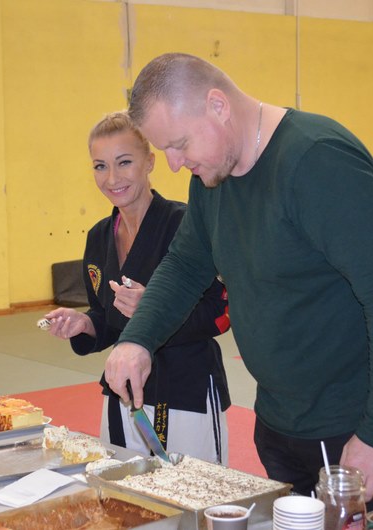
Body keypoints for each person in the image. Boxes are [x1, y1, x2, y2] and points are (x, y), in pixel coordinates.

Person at [104, 53, 373, 513]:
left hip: (356, 417)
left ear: (218, 106)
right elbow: (185, 264)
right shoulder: (213, 177)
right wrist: (137, 339)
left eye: (179, 144)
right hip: (283, 418)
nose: (175, 164)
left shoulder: (316, 160)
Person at [44, 111, 232, 464]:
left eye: (124, 162)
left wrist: (155, 309)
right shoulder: (99, 237)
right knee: (122, 491)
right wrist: (85, 324)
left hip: (185, 391)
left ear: (149, 162)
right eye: (100, 166)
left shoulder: (185, 225)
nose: (112, 178)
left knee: (192, 493)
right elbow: (106, 318)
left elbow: (221, 313)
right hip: (122, 391)